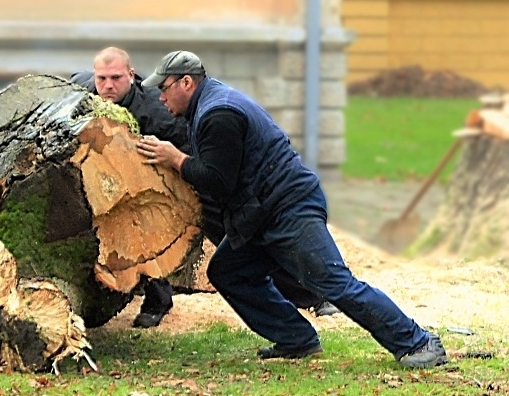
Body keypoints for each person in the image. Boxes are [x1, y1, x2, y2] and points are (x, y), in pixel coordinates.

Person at [136, 50, 447, 368]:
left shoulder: (218, 114)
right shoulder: (209, 104)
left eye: (164, 88)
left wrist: (175, 159)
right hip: (262, 211)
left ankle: (417, 342)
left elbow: (219, 181)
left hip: (288, 206)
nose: (160, 97)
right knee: (229, 271)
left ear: (186, 82)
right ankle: (296, 340)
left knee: (333, 283)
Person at [70, 47, 338, 329]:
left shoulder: (158, 110)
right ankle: (157, 299)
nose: (108, 86)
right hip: (120, 179)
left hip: (193, 175)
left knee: (245, 238)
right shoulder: (85, 91)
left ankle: (313, 295)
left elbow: (200, 153)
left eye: (116, 78)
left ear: (132, 75)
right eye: (102, 79)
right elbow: (75, 79)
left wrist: (188, 176)